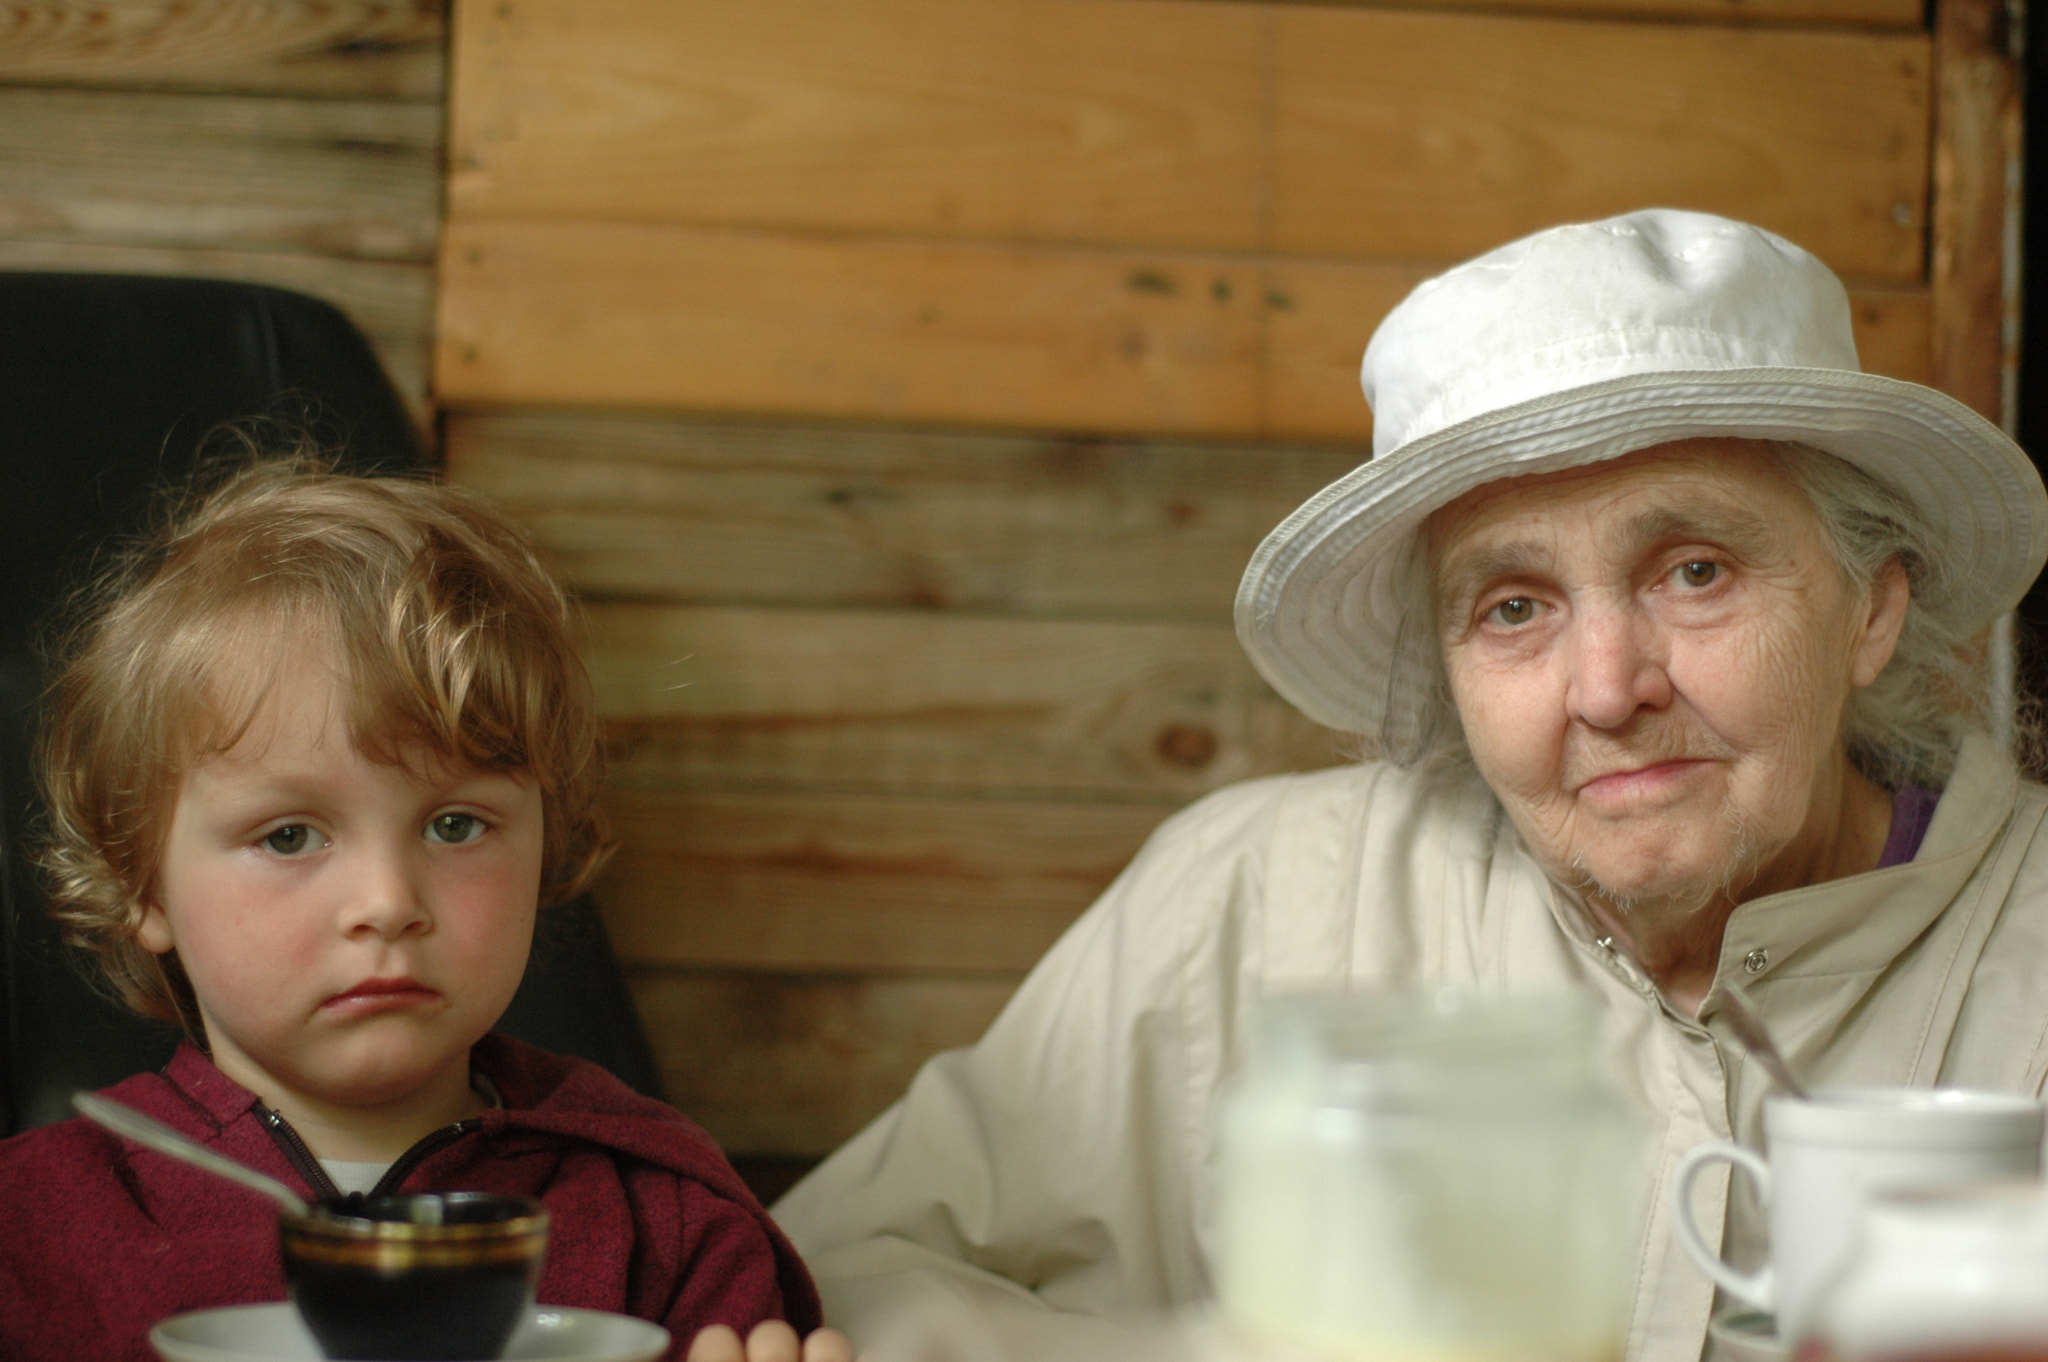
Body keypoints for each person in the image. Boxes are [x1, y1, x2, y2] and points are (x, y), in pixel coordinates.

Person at [771, 208, 2048, 1362]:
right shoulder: (1261, 896)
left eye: (1694, 570)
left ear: (1867, 610)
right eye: (1510, 607)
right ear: (1444, 668)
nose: (1605, 689)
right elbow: (828, 1275)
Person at [0, 455, 849, 1362]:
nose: (388, 903)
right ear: (140, 883)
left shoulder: (668, 1223)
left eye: (455, 824)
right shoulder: (32, 1230)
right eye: (289, 836)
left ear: (545, 844)